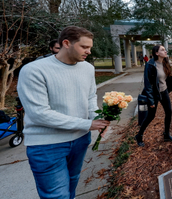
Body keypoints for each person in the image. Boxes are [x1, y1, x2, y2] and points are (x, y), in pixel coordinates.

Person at [17, 26, 110, 199]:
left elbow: (90, 97)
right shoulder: (34, 70)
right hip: (47, 145)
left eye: (90, 47)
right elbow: (39, 113)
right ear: (66, 43)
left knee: (72, 185)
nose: (89, 51)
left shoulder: (87, 68)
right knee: (57, 195)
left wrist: (97, 119)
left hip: (80, 140)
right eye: (84, 47)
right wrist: (87, 124)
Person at [135, 45, 172, 147]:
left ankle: (166, 134)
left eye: (165, 49)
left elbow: (167, 78)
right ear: (156, 53)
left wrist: (169, 88)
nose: (165, 51)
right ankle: (139, 135)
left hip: (164, 91)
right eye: (162, 50)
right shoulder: (150, 65)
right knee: (151, 116)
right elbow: (148, 83)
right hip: (154, 94)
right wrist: (151, 100)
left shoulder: (165, 62)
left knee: (169, 112)